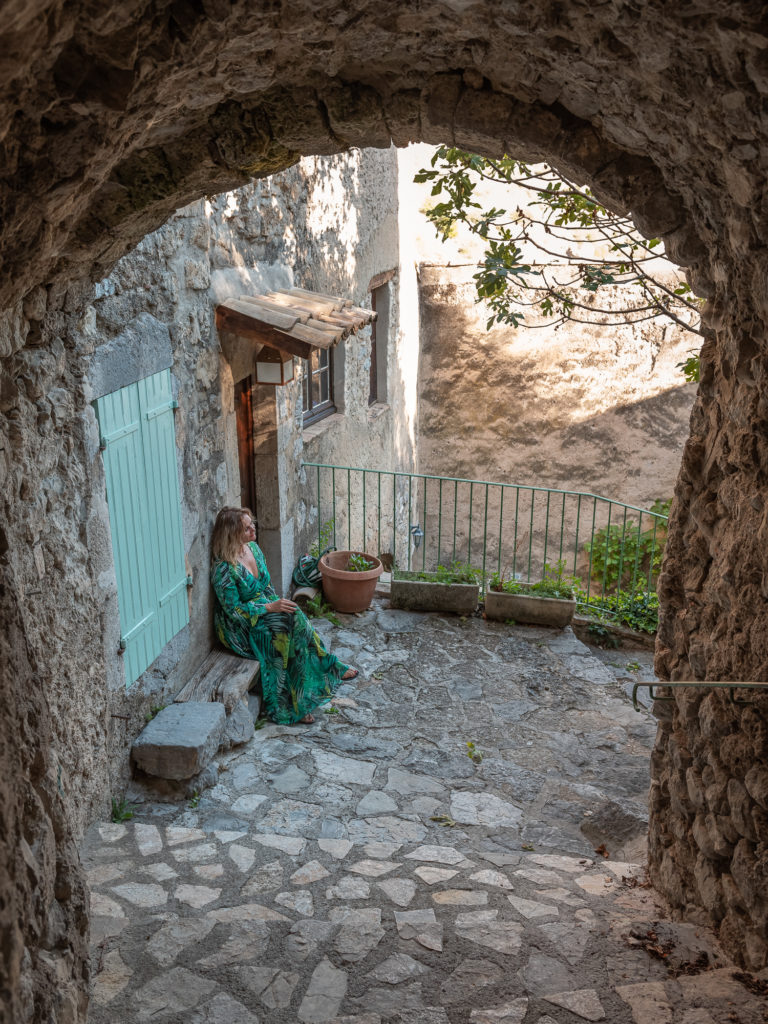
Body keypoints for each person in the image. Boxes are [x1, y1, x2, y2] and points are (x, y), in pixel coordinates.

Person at [210, 507, 357, 724]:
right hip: (239, 626)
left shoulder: (253, 549)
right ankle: (289, 704)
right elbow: (234, 612)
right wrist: (269, 609)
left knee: (295, 617)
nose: (253, 529)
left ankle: (322, 673)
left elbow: (266, 586)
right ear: (232, 534)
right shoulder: (224, 569)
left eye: (252, 524)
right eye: (246, 528)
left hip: (264, 607)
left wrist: (278, 606)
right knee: (282, 634)